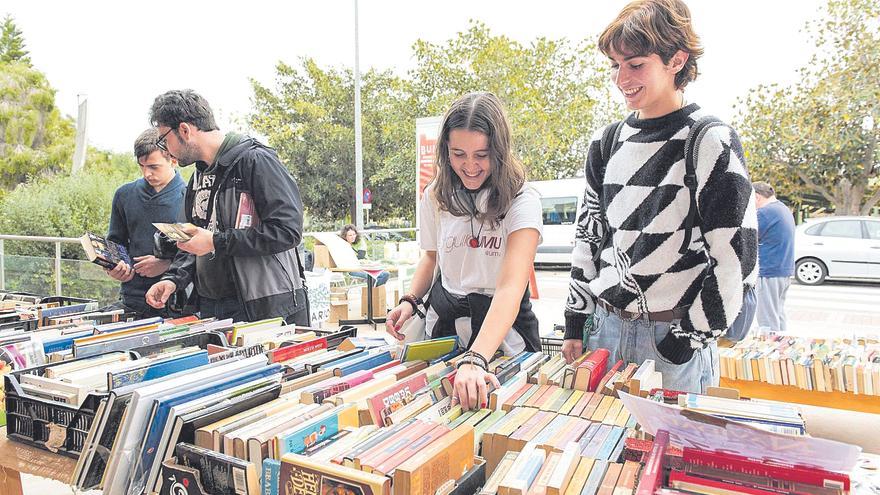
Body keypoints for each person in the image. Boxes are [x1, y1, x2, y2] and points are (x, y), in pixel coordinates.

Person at [562, 0, 758, 394]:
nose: (621, 79)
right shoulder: (606, 142)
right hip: (604, 329)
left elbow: (737, 257)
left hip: (672, 340)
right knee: (605, 452)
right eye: (615, 66)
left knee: (671, 454)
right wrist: (575, 321)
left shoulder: (709, 139)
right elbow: (589, 238)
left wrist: (687, 339)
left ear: (676, 60)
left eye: (635, 64)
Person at [385, 91, 543, 410]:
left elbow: (511, 287)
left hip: (503, 335)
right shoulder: (435, 196)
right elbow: (431, 257)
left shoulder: (522, 199)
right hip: (444, 329)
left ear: (499, 151)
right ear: (445, 151)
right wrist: (409, 300)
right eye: (459, 154)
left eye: (481, 155)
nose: (470, 166)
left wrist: (476, 358)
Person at [144, 89, 310, 325]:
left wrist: (215, 241)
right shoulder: (197, 176)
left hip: (266, 306)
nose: (164, 148)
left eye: (164, 138)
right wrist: (174, 279)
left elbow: (287, 231)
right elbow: (192, 239)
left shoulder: (256, 161)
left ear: (184, 130)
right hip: (213, 307)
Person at [105, 128, 186, 318]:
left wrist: (166, 264)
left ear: (173, 159)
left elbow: (197, 254)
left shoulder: (189, 197)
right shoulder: (124, 195)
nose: (147, 173)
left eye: (153, 166)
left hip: (176, 301)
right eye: (142, 166)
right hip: (132, 298)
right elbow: (115, 243)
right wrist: (114, 266)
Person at [753, 181, 795, 334]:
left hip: (769, 271)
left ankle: (770, 352)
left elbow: (748, 237)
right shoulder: (782, 208)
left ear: (757, 197)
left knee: (767, 321)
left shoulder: (765, 213)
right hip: (783, 270)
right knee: (778, 314)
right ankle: (782, 349)